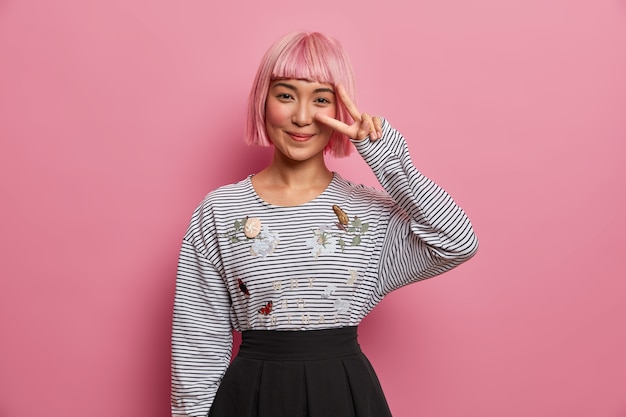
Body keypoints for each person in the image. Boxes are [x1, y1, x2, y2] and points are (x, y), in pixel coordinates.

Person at [171, 31, 478, 417]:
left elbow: (457, 241)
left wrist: (385, 156)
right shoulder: (220, 210)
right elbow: (197, 347)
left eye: (321, 99)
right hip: (251, 398)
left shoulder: (368, 214)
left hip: (346, 398)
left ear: (340, 110)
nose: (302, 117)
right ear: (262, 101)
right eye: (286, 95)